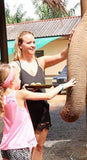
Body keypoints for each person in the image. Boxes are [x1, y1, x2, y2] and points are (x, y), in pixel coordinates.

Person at [10, 30, 74, 160]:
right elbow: (9, 91)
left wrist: (71, 41)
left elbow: (62, 56)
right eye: (29, 43)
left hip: (42, 111)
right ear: (20, 45)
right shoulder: (15, 66)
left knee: (38, 147)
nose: (33, 45)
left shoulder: (41, 62)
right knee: (25, 149)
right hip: (25, 113)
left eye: (34, 42)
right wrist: (23, 90)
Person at [0, 63, 76, 160]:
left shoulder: (3, 97)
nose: (20, 80)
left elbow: (15, 98)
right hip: (19, 147)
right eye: (18, 78)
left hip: (6, 147)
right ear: (11, 81)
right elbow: (48, 96)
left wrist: (27, 91)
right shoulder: (20, 94)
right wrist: (64, 86)